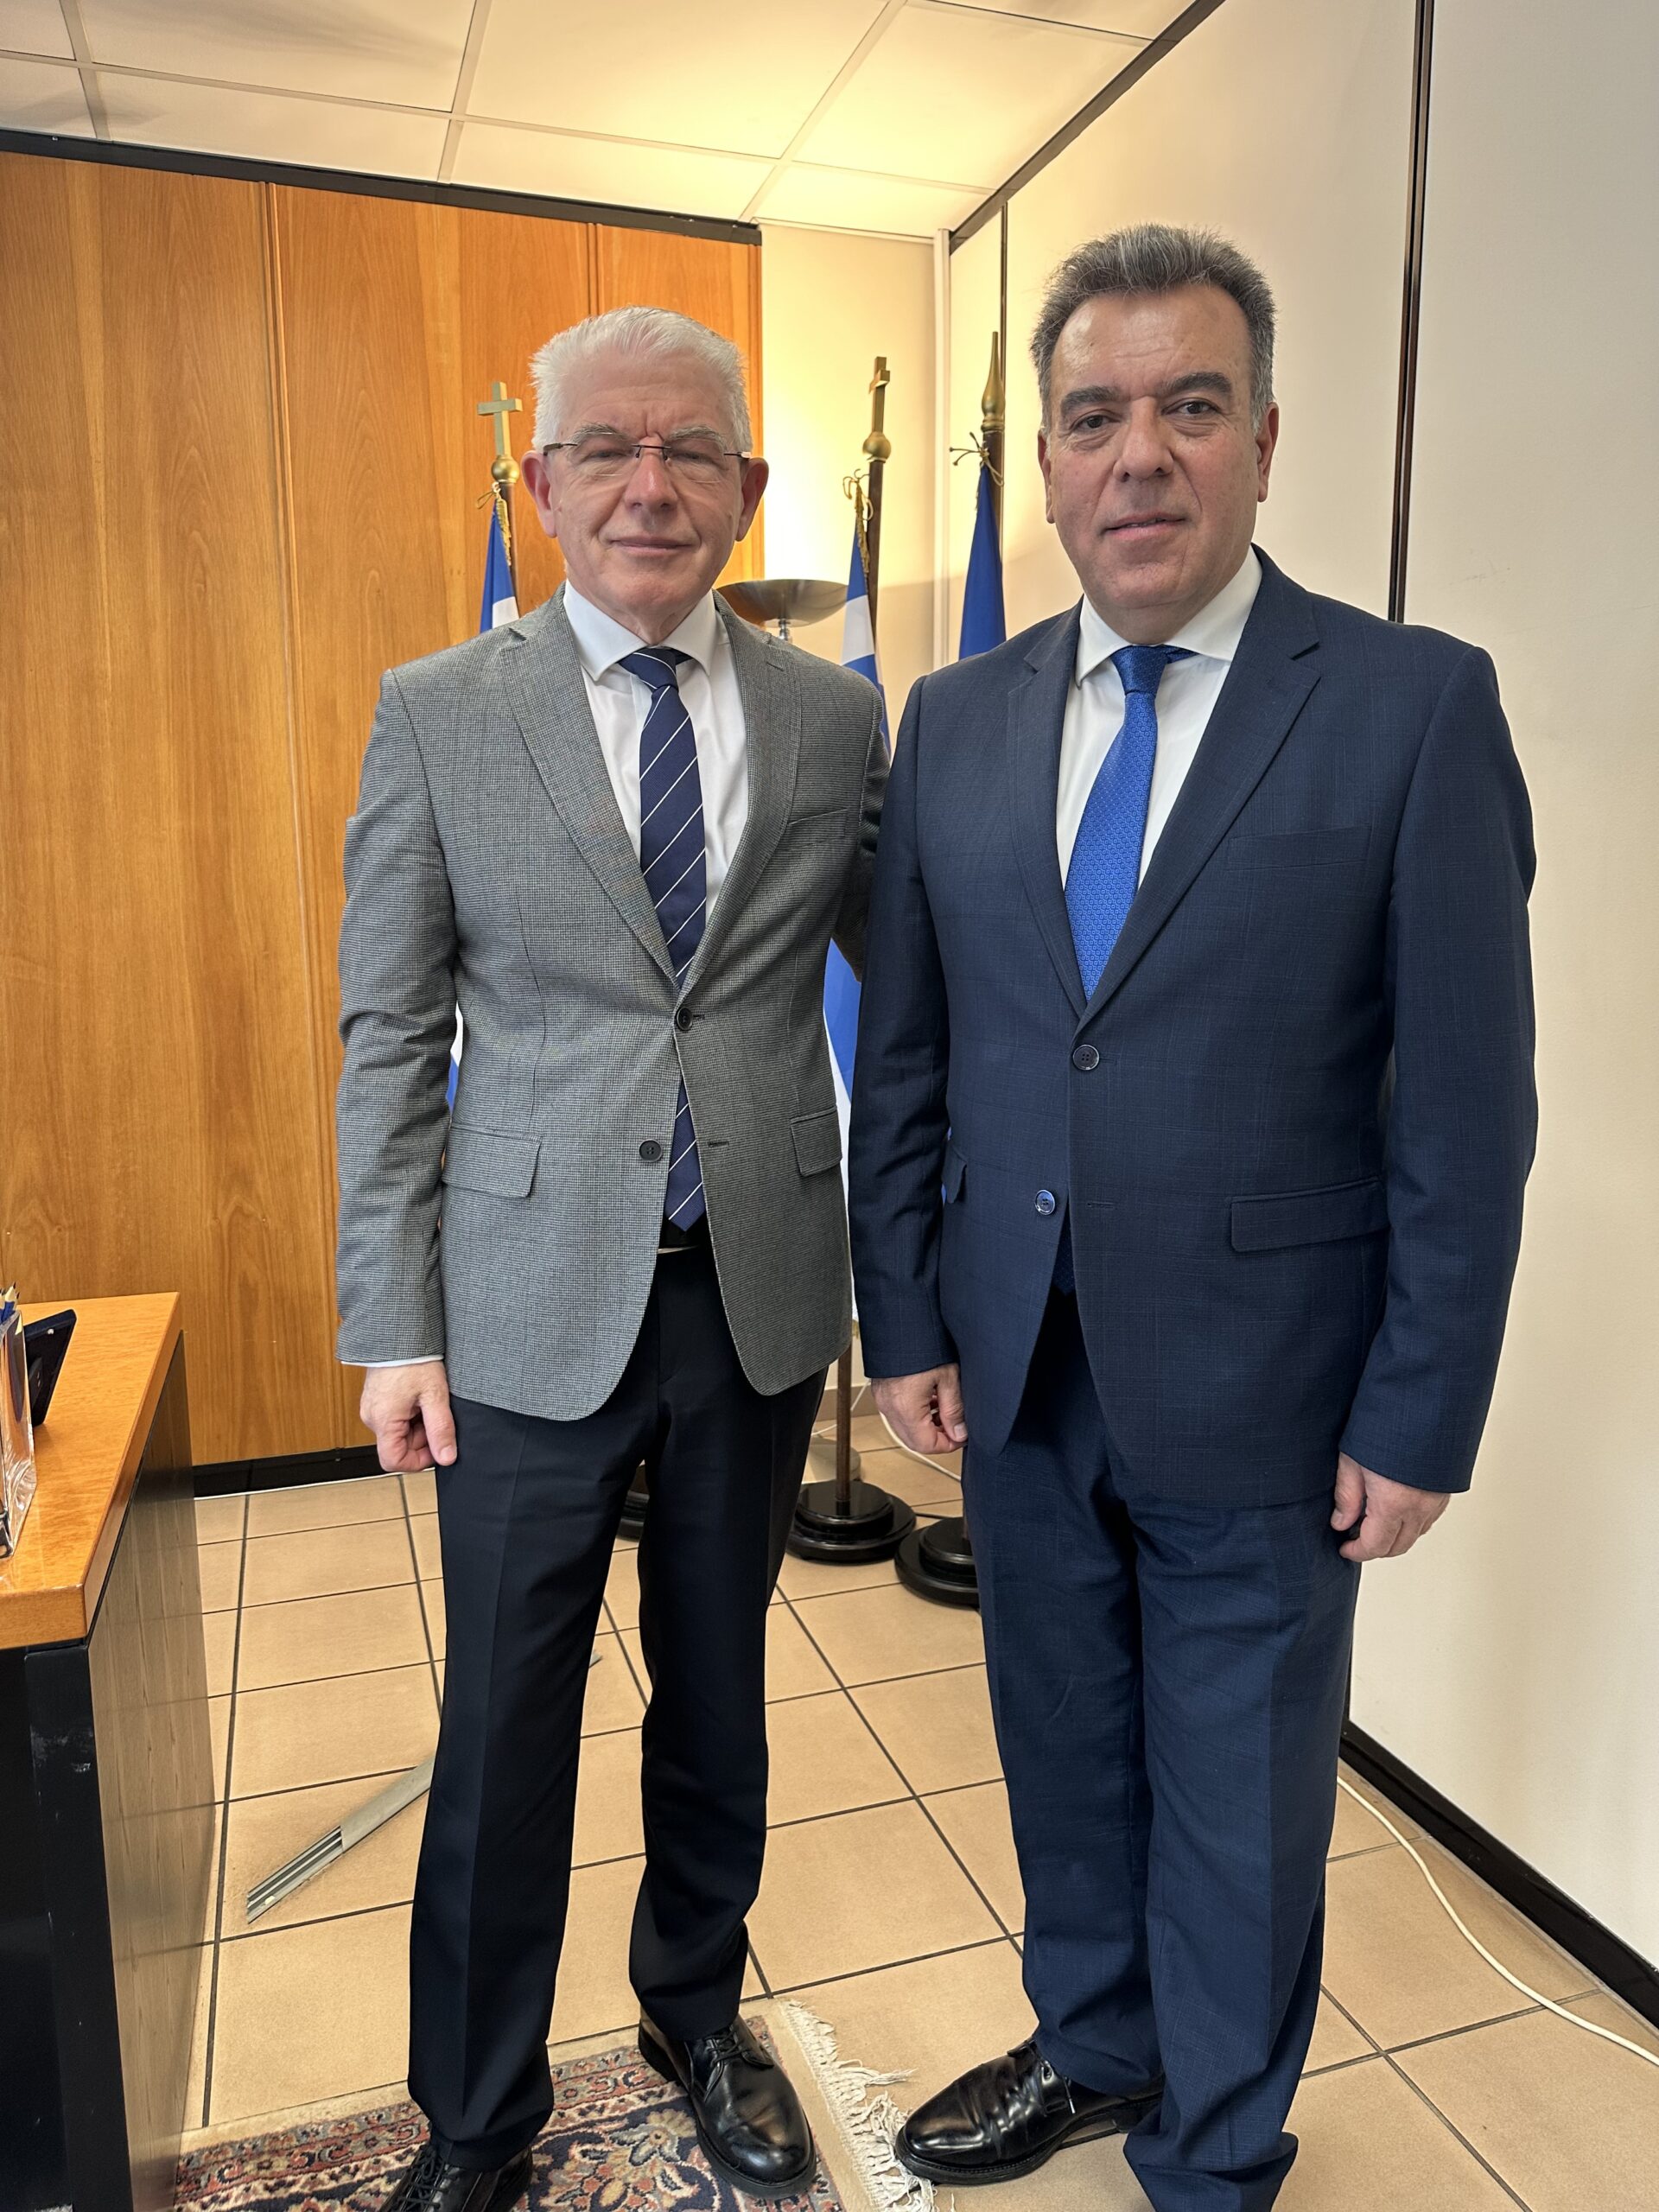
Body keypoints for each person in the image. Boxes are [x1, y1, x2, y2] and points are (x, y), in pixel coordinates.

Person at [848, 225, 1535, 2211]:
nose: (1137, 453)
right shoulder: (957, 716)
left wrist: (1421, 1407)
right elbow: (917, 1049)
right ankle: (1094, 2041)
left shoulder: (1409, 706)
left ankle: (1214, 2153)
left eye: (1190, 406)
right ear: (1051, 463)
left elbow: (1469, 1105)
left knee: (1236, 1799)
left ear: (1263, 441)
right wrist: (909, 1311)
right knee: (1062, 1748)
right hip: (1017, 1360)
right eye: (1093, 416)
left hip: (1271, 1386)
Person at [336, 304, 887, 2212]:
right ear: (542, 484)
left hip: (755, 1289)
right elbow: (390, 1034)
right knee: (504, 1724)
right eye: (606, 449)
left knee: (717, 1688)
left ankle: (695, 2014)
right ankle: (477, 2112)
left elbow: (917, 986)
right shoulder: (439, 710)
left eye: (689, 449)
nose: (650, 485)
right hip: (517, 1304)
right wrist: (392, 1318)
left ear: (746, 484)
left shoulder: (832, 717)